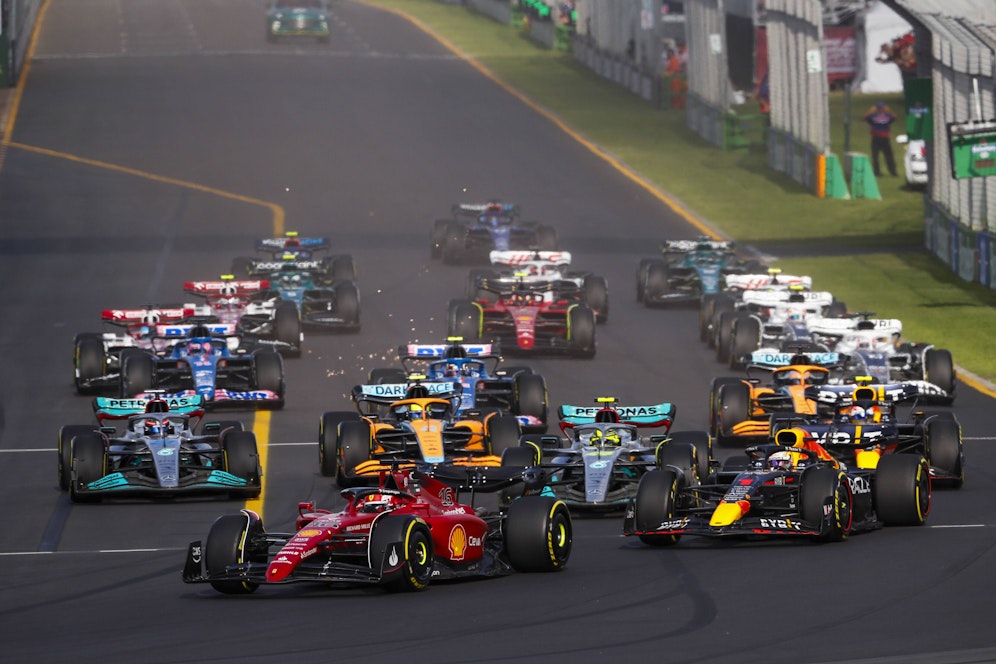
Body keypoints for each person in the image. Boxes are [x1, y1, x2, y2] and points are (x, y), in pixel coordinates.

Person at [863, 101, 898, 177]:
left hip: (877, 138)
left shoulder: (873, 116)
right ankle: (893, 172)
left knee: (876, 156)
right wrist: (890, 110)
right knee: (888, 156)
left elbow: (864, 118)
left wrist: (870, 111)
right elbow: (895, 117)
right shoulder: (887, 116)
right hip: (884, 138)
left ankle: (877, 172)